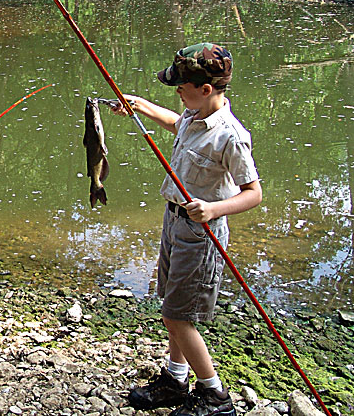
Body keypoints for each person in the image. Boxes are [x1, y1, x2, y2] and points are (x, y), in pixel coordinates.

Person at [112, 43, 262, 416]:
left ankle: (215, 395)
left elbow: (253, 194)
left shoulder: (230, 136)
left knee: (178, 315)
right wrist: (140, 105)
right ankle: (177, 379)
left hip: (200, 235)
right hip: (174, 221)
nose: (177, 90)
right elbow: (175, 123)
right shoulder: (194, 114)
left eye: (181, 85)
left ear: (206, 89)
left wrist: (212, 209)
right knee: (172, 305)